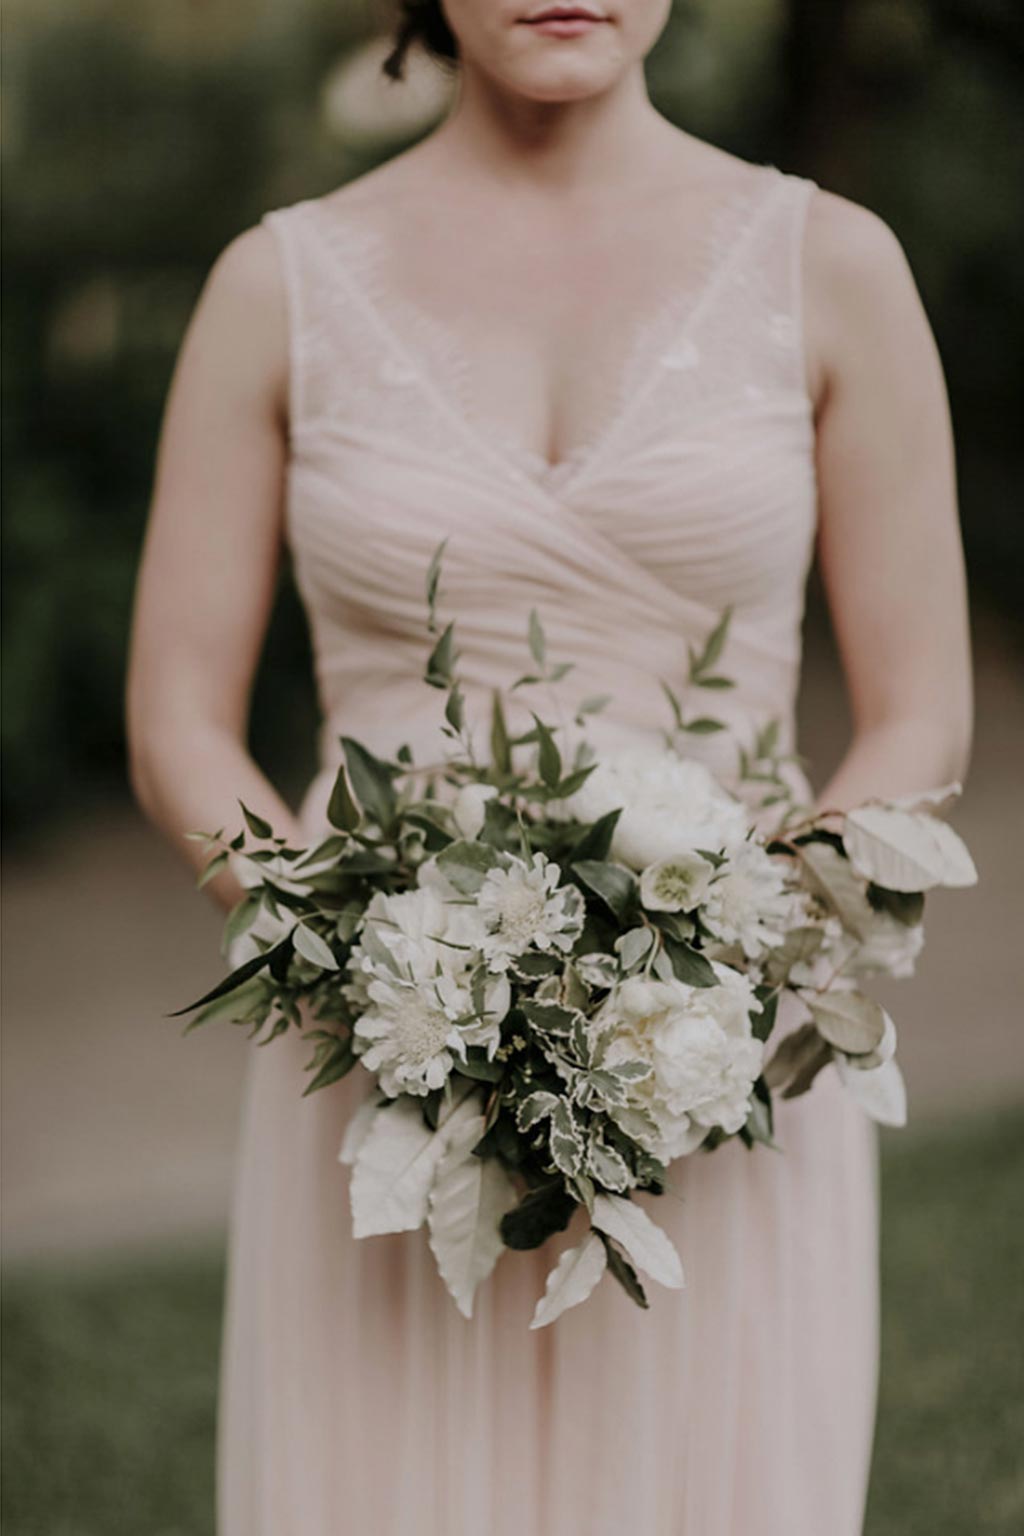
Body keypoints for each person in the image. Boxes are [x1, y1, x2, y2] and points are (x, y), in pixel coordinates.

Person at [124, 2, 973, 1532]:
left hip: (717, 1055)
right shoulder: (280, 288)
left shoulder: (831, 266)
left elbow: (922, 712)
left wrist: (728, 971)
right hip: (378, 1049)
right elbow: (177, 711)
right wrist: (347, 954)